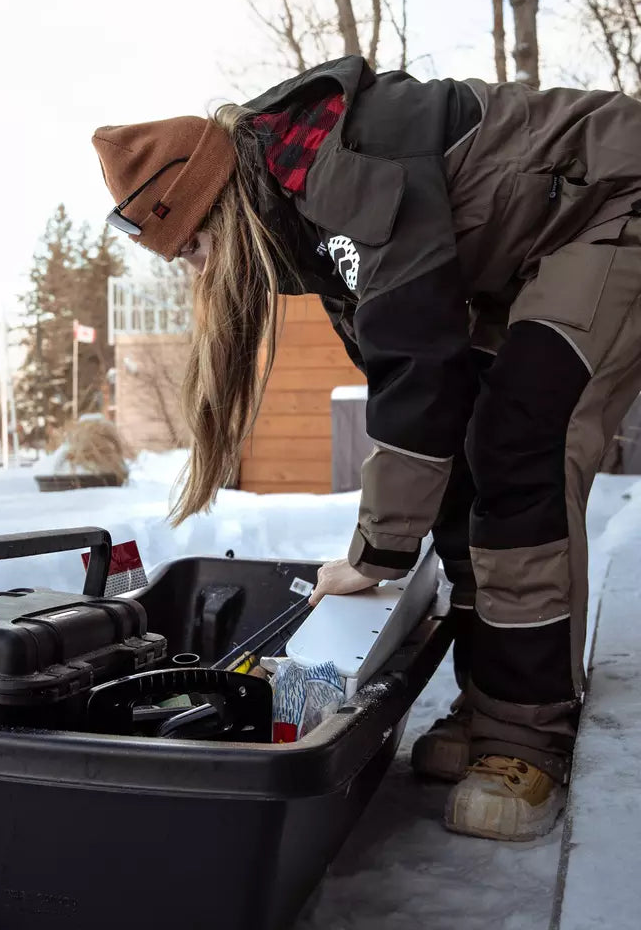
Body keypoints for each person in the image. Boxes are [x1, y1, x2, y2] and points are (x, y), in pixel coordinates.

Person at [91, 55, 641, 843]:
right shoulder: (297, 221)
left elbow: (414, 362)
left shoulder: (335, 169)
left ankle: (526, 737)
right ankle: (495, 702)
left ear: (217, 205)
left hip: (614, 204)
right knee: (469, 461)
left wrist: (376, 551)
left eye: (194, 248)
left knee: (521, 445)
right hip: (530, 258)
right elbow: (417, 402)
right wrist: (400, 519)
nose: (199, 271)